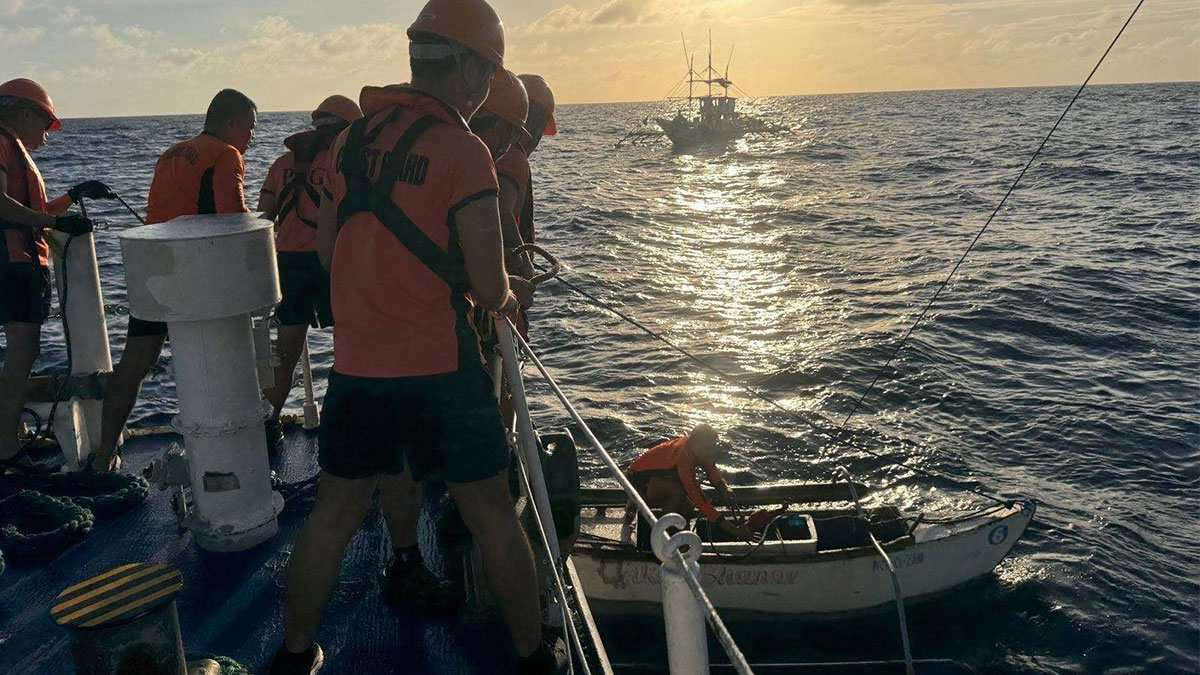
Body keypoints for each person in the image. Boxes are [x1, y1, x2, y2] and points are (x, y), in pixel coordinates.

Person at [271, 1, 563, 673]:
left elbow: (324, 252)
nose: (486, 84)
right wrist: (508, 294)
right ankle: (531, 657)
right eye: (487, 71)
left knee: (335, 514)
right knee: (490, 511)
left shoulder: (350, 141)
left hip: (357, 366)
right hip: (439, 365)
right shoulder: (464, 152)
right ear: (464, 66)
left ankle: (292, 656)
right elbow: (490, 286)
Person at [90, 89, 257, 472]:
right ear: (230, 123)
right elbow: (233, 219)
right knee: (217, 358)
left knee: (134, 363)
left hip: (153, 268)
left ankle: (103, 455)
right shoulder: (226, 155)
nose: (250, 139)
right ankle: (229, 454)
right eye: (249, 129)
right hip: (195, 274)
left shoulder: (170, 154)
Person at [0, 78, 112, 472]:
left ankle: (6, 439)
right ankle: (6, 447)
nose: (48, 134)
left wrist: (74, 195)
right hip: (12, 263)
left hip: (18, 261)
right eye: (45, 123)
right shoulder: (0, 141)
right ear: (24, 112)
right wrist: (53, 221)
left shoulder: (13, 149)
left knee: (22, 352)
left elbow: (33, 206)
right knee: (22, 351)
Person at [257, 95, 362, 452]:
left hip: (286, 265)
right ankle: (344, 422)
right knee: (349, 348)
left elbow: (263, 217)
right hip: (331, 262)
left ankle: (269, 425)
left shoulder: (281, 164)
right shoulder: (344, 162)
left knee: (285, 354)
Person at [622, 423, 753, 542]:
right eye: (708, 448)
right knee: (678, 493)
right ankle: (663, 536)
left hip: (660, 478)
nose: (710, 452)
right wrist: (734, 531)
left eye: (712, 448)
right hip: (637, 481)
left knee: (688, 507)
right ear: (695, 443)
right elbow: (699, 500)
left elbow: (711, 469)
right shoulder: (683, 458)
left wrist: (724, 488)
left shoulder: (700, 450)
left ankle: (682, 534)